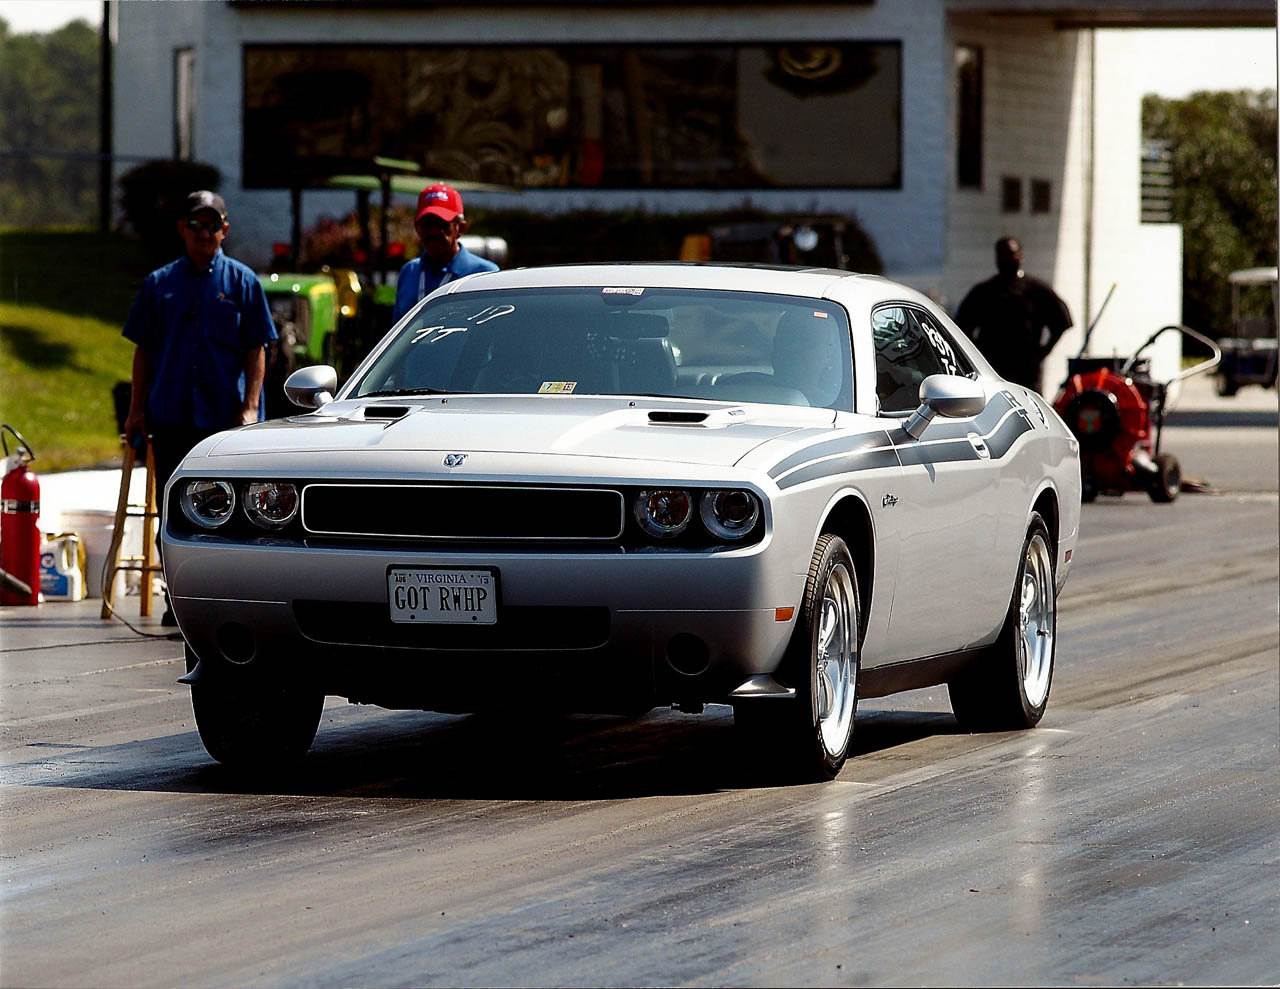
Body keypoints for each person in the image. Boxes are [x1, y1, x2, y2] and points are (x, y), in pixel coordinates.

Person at [121, 190, 276, 624]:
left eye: (212, 225)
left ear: (225, 230)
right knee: (173, 512)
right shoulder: (159, 284)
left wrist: (250, 407)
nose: (204, 233)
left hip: (225, 422)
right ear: (182, 230)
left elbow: (256, 349)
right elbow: (143, 352)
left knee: (225, 512)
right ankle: (179, 599)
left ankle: (223, 599)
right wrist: (136, 410)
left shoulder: (243, 282)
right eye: (196, 225)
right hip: (171, 415)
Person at [954, 236, 1073, 392]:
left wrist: (1042, 354)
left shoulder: (1037, 290)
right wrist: (978, 357)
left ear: (1020, 255)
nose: (1006, 258)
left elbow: (1062, 323)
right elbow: (962, 328)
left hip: (1027, 374)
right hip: (993, 372)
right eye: (1001, 254)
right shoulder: (983, 292)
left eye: (1010, 253)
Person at [391, 183, 498, 323]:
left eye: (442, 224)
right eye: (426, 224)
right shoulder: (410, 271)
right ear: (417, 228)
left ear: (460, 228)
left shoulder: (484, 274)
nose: (434, 232)